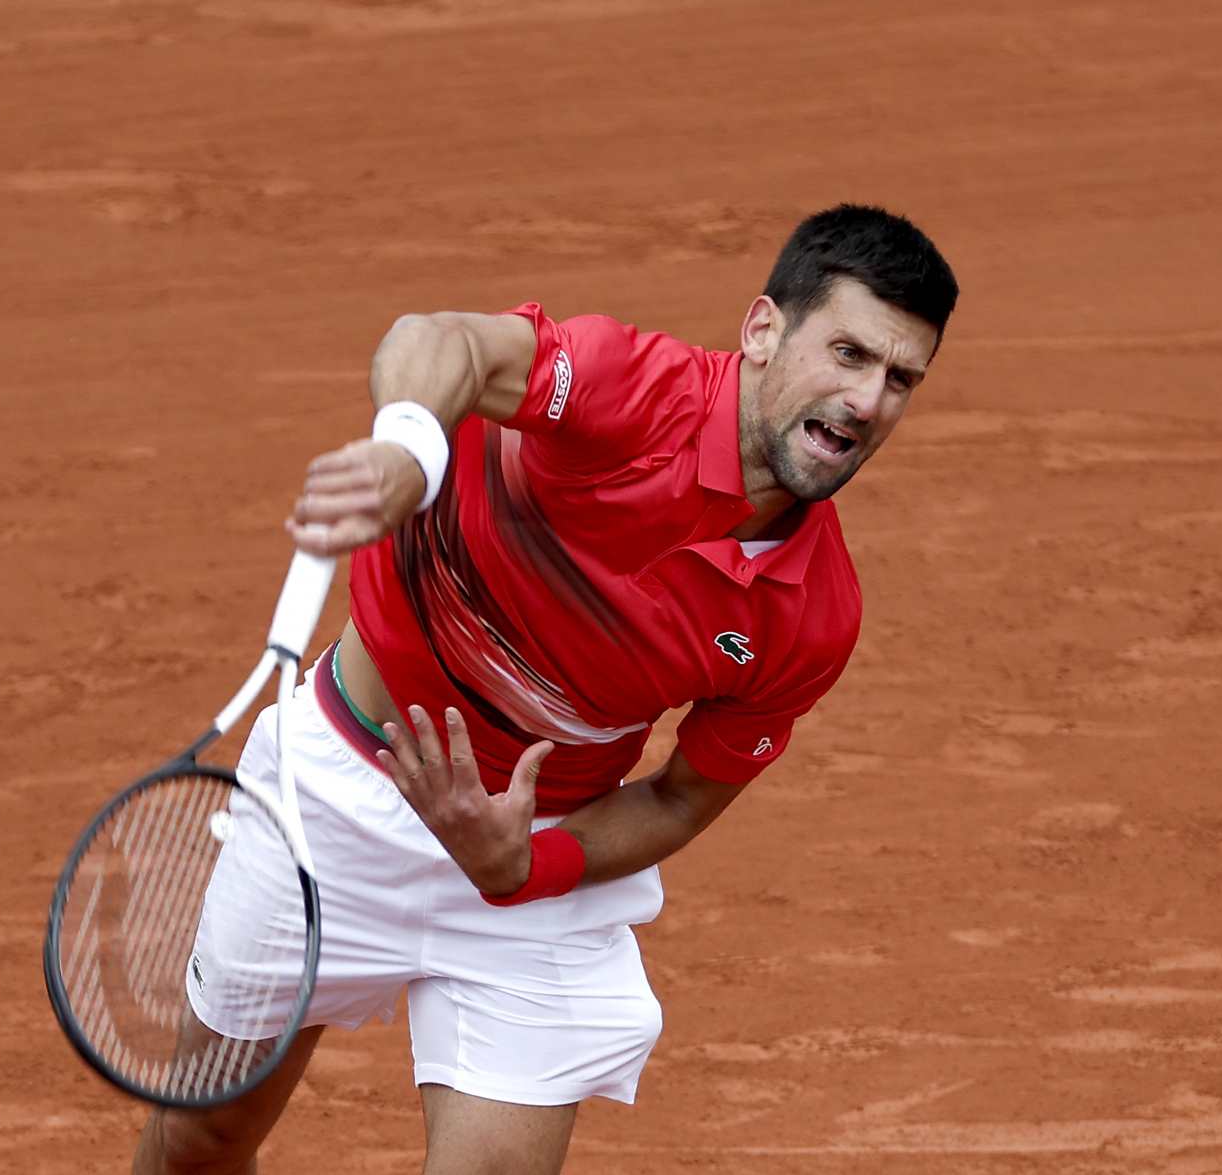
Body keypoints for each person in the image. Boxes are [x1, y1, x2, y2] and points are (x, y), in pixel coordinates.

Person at [135, 204, 959, 1174]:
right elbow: (441, 343)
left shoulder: (814, 613)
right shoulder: (629, 390)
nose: (867, 400)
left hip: (525, 859)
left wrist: (527, 862)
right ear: (764, 330)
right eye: (849, 353)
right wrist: (409, 449)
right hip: (334, 802)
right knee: (201, 1140)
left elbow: (680, 797)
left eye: (899, 377)